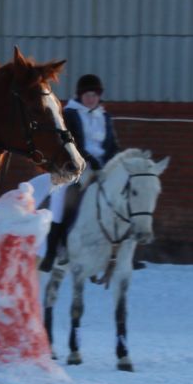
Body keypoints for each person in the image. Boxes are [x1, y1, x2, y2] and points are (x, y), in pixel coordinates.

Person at [39, 72, 121, 271]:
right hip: (77, 166)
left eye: (94, 95)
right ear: (80, 96)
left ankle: (119, 250)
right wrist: (90, 160)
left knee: (125, 194)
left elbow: (112, 145)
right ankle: (54, 248)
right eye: (87, 95)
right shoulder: (70, 114)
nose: (91, 98)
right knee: (64, 199)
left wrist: (114, 161)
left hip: (104, 167)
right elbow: (72, 143)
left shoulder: (105, 116)